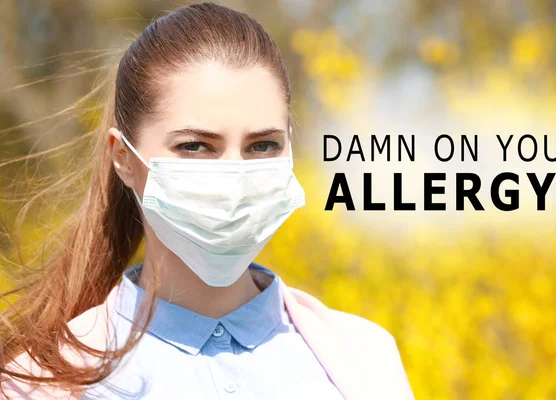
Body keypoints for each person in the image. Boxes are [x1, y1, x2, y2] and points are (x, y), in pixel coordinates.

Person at [0, 3, 414, 399]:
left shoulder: (366, 359)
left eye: (263, 145)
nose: (234, 177)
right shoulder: (39, 379)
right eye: (196, 146)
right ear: (123, 158)